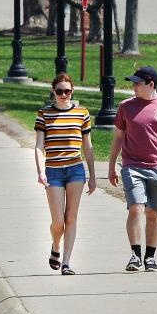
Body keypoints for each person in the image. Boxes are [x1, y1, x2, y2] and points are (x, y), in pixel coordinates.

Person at [108, 66, 157, 272]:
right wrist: (112, 164)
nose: (134, 87)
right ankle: (135, 255)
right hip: (132, 166)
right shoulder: (126, 106)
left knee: (153, 213)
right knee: (136, 208)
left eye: (138, 83)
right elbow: (118, 138)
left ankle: (150, 257)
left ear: (151, 85)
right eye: (133, 83)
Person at [34, 74, 97, 276]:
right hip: (53, 170)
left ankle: (67, 263)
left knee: (71, 217)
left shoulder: (82, 113)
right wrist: (40, 171)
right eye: (59, 91)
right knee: (58, 221)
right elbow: (38, 146)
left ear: (72, 91)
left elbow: (87, 147)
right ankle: (55, 245)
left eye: (67, 91)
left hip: (75, 170)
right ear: (53, 91)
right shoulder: (44, 114)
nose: (63, 95)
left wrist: (93, 175)